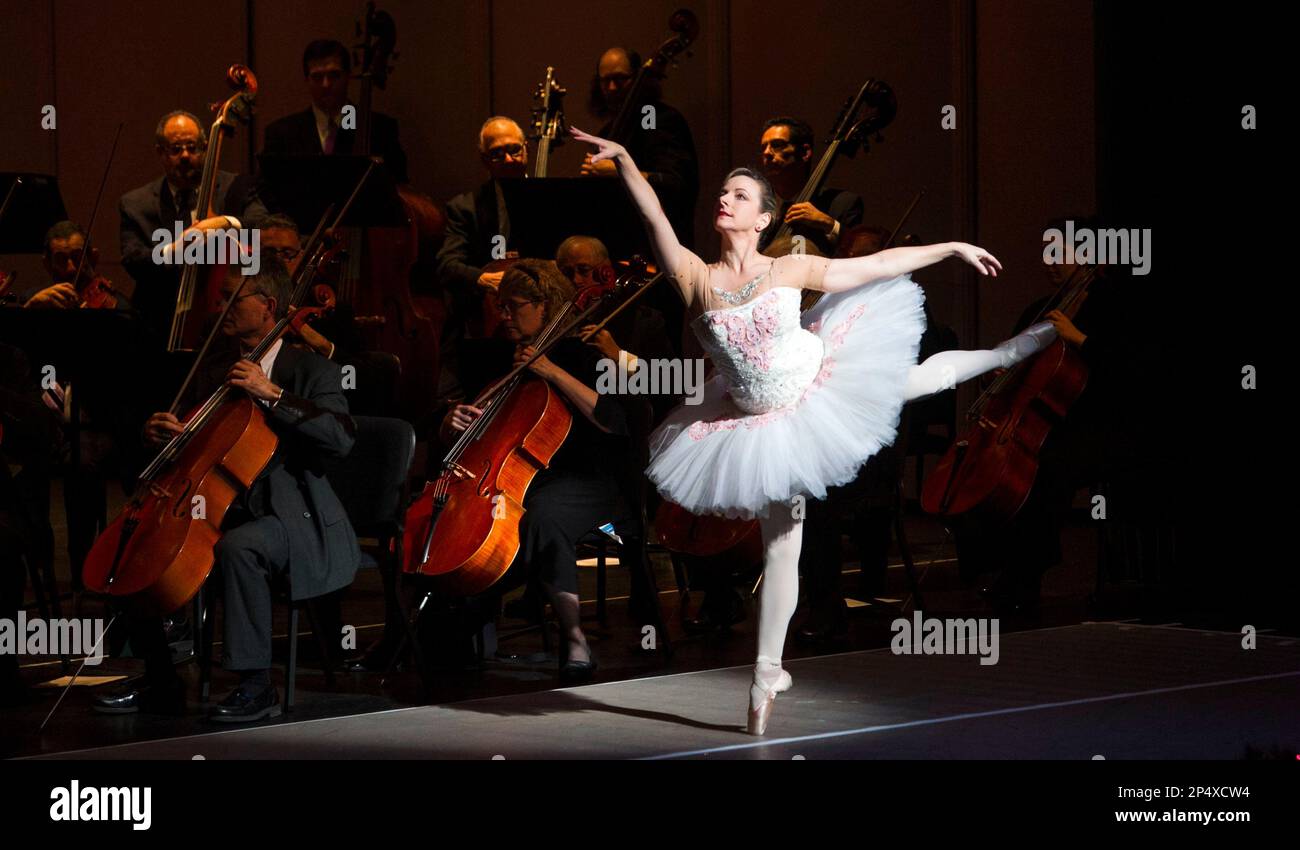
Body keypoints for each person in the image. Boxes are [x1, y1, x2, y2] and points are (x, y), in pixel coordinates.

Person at [571, 126, 1058, 735]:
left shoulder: (788, 269)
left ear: (764, 218)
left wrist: (950, 246)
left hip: (819, 384)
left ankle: (1008, 352)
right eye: (723, 192)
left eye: (741, 195)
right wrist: (624, 161)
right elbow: (653, 217)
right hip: (757, 423)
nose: (725, 200)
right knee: (782, 550)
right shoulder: (694, 278)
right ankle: (764, 677)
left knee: (915, 382)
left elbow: (877, 264)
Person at [92, 261, 359, 721]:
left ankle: (257, 686)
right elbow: (198, 446)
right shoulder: (214, 368)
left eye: (231, 298)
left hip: (290, 514)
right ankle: (160, 677)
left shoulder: (311, 369)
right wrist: (160, 433)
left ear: (268, 307)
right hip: (216, 502)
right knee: (138, 544)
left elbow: (341, 438)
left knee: (240, 547)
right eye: (220, 299)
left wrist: (273, 395)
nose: (220, 308)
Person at [437, 260, 630, 681]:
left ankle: (574, 636)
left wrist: (551, 371)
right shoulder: (496, 355)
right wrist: (452, 419)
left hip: (585, 478)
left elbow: (614, 420)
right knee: (455, 519)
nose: (503, 316)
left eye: (513, 306)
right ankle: (444, 618)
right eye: (499, 306)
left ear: (544, 306)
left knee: (542, 518)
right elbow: (478, 425)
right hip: (515, 479)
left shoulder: (583, 350)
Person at [119, 110, 267, 345]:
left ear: (206, 147)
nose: (185, 156)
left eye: (192, 147)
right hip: (158, 326)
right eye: (176, 149)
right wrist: (173, 251)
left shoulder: (237, 186)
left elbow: (262, 225)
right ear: (160, 152)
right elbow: (134, 261)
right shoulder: (136, 204)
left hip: (224, 322)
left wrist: (224, 222)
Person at [758, 116, 863, 257]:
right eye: (764, 147)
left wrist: (829, 225)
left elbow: (860, 253)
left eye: (777, 145)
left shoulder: (842, 204)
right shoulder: (755, 207)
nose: (766, 153)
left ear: (805, 152)